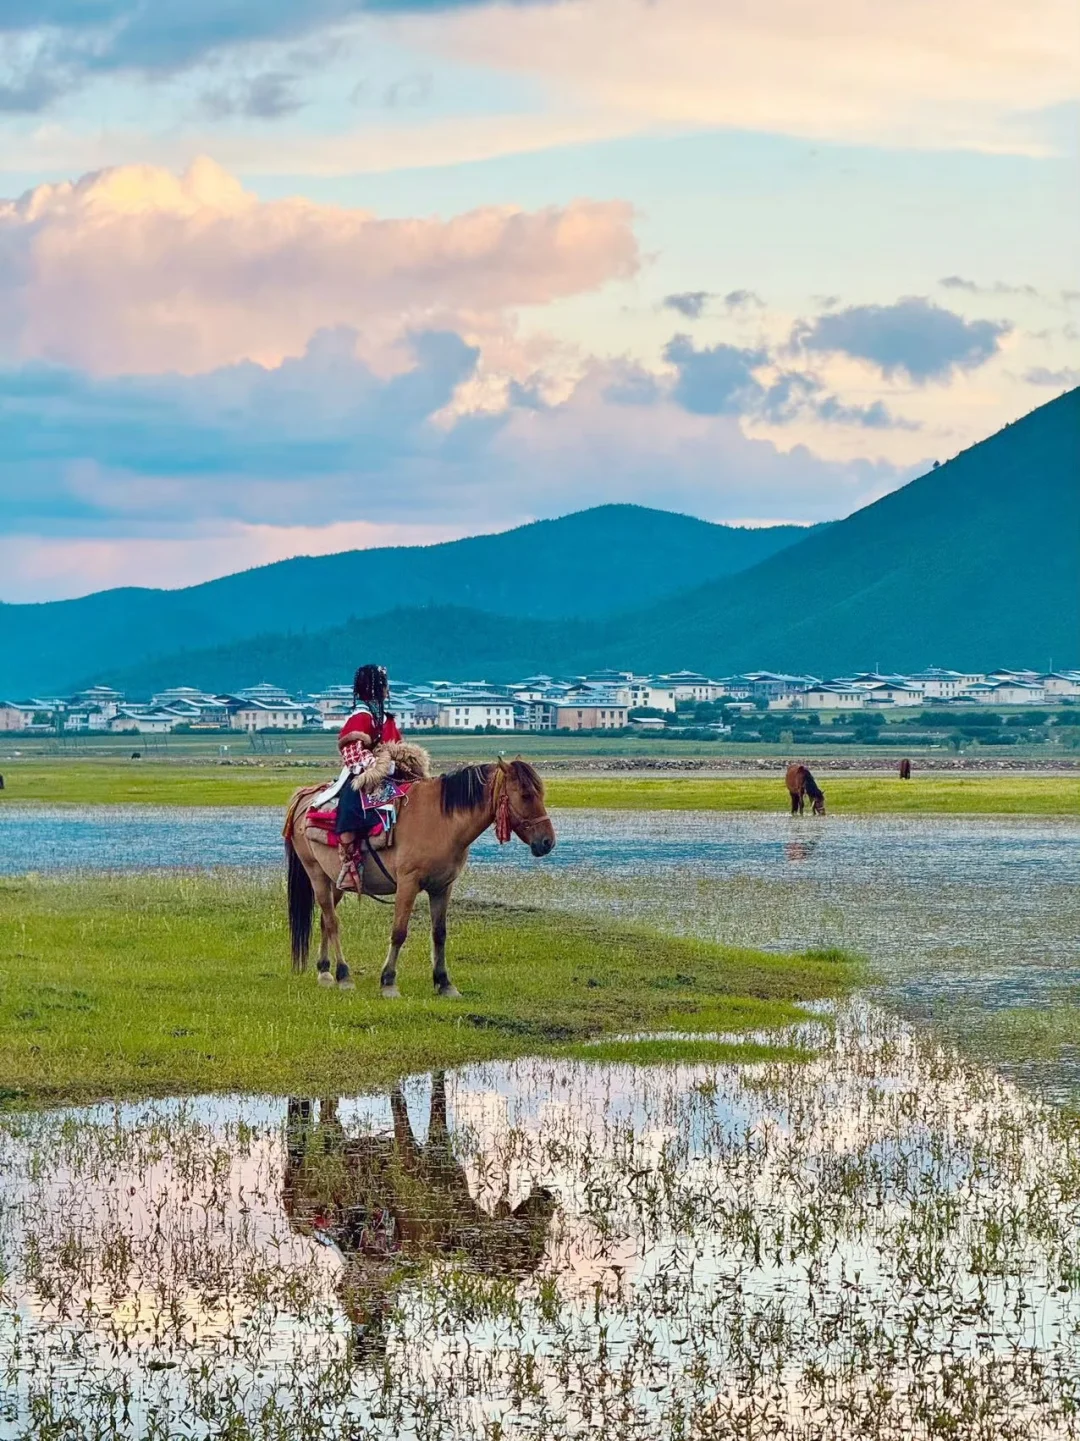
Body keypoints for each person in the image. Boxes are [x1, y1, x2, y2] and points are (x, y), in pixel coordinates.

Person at [335, 664, 402, 890]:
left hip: (391, 772)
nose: (387, 689)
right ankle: (349, 862)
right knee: (351, 804)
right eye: (384, 684)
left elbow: (398, 746)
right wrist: (378, 766)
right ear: (375, 687)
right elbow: (351, 751)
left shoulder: (386, 718)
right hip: (364, 775)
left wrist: (401, 764)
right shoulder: (361, 716)